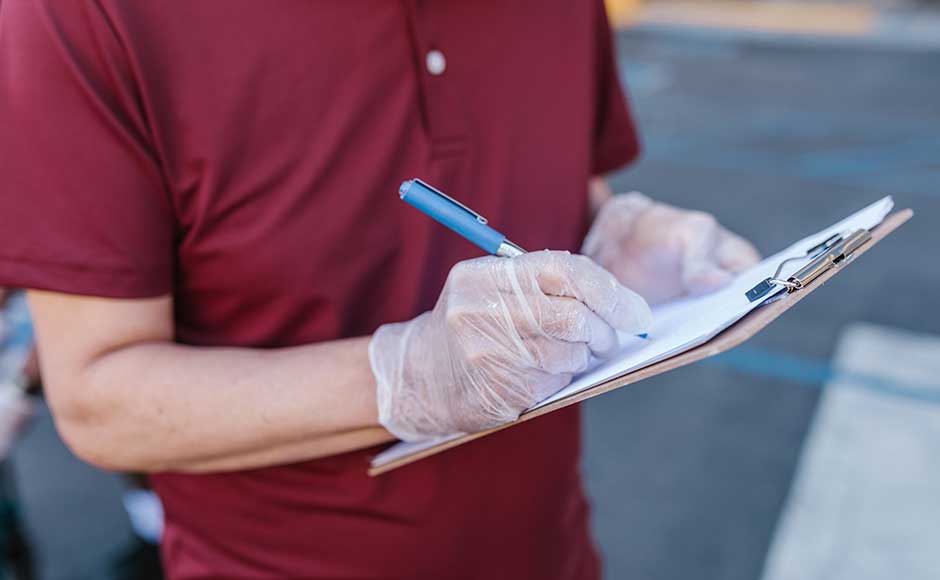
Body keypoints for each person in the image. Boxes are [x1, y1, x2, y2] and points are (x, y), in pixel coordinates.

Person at [0, 1, 759, 578]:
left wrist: (614, 240)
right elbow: (100, 400)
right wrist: (406, 374)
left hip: (554, 550)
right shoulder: (80, 17)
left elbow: (572, 185)